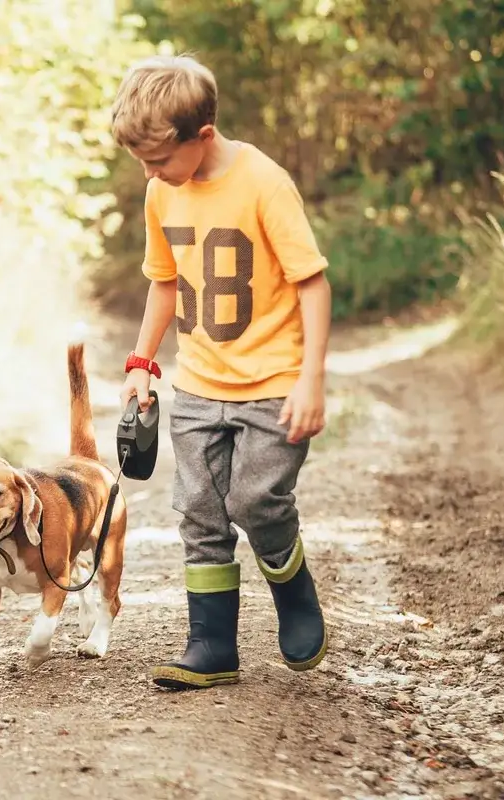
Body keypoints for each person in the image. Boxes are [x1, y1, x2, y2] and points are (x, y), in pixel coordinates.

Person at [111, 53, 333, 690]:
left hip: (274, 385)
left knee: (256, 501)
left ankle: (292, 587)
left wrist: (311, 378)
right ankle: (211, 645)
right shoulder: (162, 190)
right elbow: (163, 282)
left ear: (202, 136)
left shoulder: (263, 183)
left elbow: (313, 285)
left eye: (158, 160)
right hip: (199, 385)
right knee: (201, 510)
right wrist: (141, 361)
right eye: (144, 164)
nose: (151, 174)